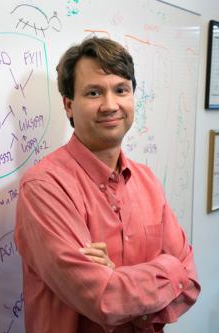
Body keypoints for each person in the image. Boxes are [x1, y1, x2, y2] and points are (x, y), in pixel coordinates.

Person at [14, 37, 200, 333]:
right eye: (93, 92)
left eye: (121, 90)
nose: (110, 105)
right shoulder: (44, 187)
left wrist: (119, 275)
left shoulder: (147, 181)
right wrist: (165, 273)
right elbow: (104, 300)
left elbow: (190, 281)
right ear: (69, 105)